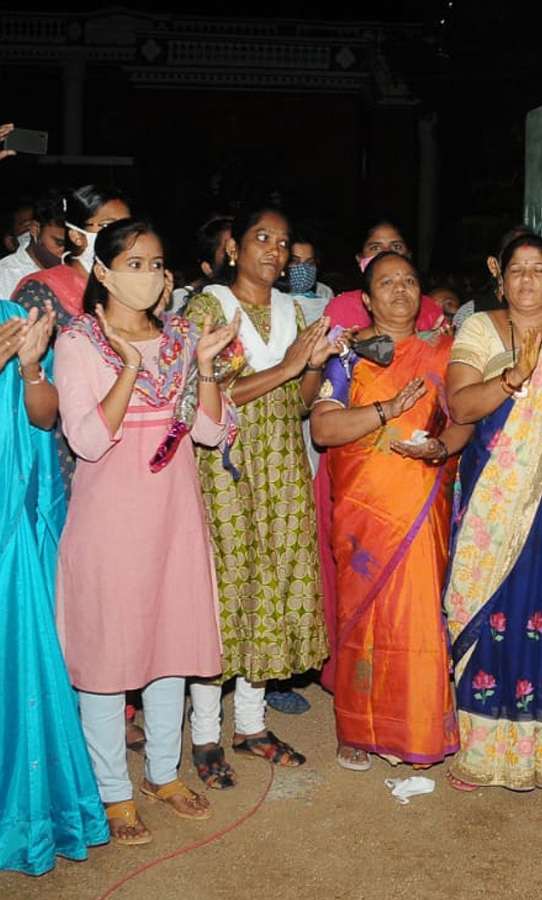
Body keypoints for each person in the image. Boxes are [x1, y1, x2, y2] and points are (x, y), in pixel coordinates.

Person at [54, 219, 239, 845]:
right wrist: (130, 367)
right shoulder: (78, 341)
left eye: (158, 264)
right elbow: (84, 439)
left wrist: (207, 367)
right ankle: (113, 791)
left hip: (174, 518)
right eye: (134, 263)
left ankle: (164, 773)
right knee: (108, 658)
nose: (151, 275)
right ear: (102, 273)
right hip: (109, 524)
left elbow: (211, 432)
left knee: (170, 649)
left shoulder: (185, 335)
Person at [186, 207, 336, 788]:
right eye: (262, 238)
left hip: (281, 464)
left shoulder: (290, 309)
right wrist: (292, 363)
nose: (275, 249)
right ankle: (204, 735)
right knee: (227, 591)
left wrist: (311, 367)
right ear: (232, 246)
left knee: (269, 584)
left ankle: (250, 726)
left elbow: (299, 402)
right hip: (227, 466)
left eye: (283, 241)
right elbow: (218, 397)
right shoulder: (208, 308)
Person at [443, 233, 542, 791]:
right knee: (483, 605)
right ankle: (480, 748)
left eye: (539, 271)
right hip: (490, 493)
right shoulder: (479, 329)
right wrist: (512, 378)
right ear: (500, 278)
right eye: (517, 271)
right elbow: (459, 405)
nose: (528, 280)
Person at [310, 252, 473, 771]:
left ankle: (419, 726)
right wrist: (387, 411)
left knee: (418, 617)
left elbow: (465, 419)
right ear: (366, 298)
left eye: (408, 281)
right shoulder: (348, 357)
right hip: (363, 510)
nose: (400, 290)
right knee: (362, 622)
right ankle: (356, 728)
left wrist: (443, 447)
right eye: (387, 282)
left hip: (421, 503)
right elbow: (324, 430)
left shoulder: (447, 352)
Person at [0, 298, 109, 874]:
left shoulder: (9, 314)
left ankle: (25, 818)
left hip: (10, 527)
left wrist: (29, 368)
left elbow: (44, 419)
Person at [13, 185, 133, 329]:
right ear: (77, 236)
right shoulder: (39, 291)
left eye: (128, 228)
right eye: (108, 226)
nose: (122, 236)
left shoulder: (134, 285)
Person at [0, 188, 66, 299]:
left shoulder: (76, 268)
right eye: (59, 243)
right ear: (35, 229)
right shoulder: (5, 276)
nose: (65, 252)